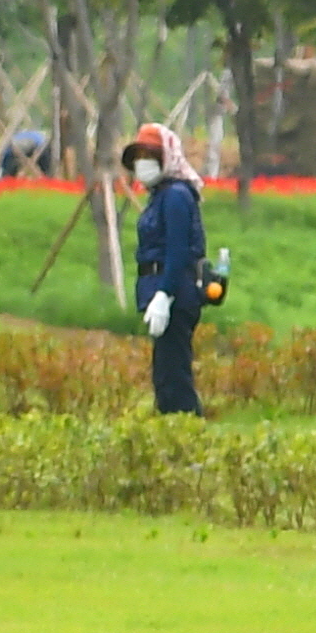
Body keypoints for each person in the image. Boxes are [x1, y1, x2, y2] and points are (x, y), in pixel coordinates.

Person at [125, 122, 206, 417]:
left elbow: (178, 250)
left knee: (174, 377)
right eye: (139, 157)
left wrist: (165, 294)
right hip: (158, 288)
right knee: (164, 373)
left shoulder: (176, 196)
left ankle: (188, 436)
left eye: (150, 155)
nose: (143, 163)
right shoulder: (160, 195)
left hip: (174, 292)